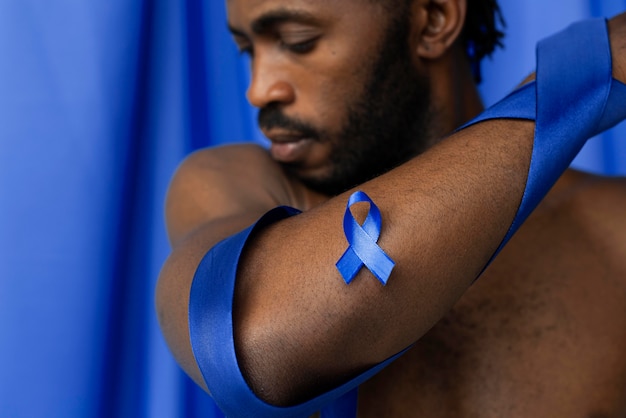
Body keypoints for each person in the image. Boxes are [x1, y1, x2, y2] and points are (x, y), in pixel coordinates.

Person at [156, 0, 626, 416]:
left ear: (434, 20)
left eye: (298, 42)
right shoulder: (232, 187)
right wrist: (578, 80)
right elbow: (253, 343)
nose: (259, 90)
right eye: (247, 49)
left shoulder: (612, 228)